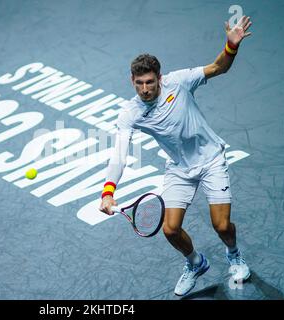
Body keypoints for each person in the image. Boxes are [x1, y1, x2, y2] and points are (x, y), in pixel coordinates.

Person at [99, 16, 252, 296]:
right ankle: (195, 263)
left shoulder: (179, 82)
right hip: (179, 168)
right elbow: (120, 154)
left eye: (149, 82)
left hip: (211, 161)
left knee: (221, 225)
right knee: (170, 230)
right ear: (131, 81)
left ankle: (234, 254)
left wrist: (231, 46)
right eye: (138, 83)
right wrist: (108, 191)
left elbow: (219, 67)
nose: (144, 89)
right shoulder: (130, 113)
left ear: (160, 78)